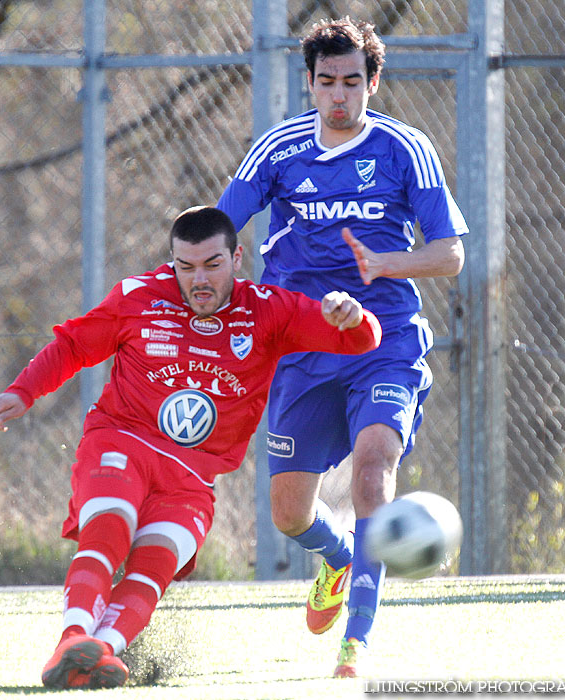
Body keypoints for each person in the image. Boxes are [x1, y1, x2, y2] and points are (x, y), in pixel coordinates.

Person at [0, 205, 381, 690]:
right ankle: (71, 640)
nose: (199, 280)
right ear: (171, 261)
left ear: (237, 259)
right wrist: (22, 390)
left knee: (157, 558)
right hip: (123, 442)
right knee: (110, 525)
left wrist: (353, 316)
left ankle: (102, 651)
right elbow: (73, 346)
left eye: (212, 265)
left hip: (192, 480)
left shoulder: (268, 311)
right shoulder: (139, 297)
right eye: (185, 266)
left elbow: (361, 341)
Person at [217, 17, 468, 677]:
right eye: (325, 82)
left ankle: (355, 643)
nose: (338, 95)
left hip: (383, 342)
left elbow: (448, 255)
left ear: (372, 82)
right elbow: (219, 229)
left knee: (370, 469)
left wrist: (382, 265)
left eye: (351, 82)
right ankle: (335, 558)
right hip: (299, 348)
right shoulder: (277, 148)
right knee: (287, 513)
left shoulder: (403, 149)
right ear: (309, 82)